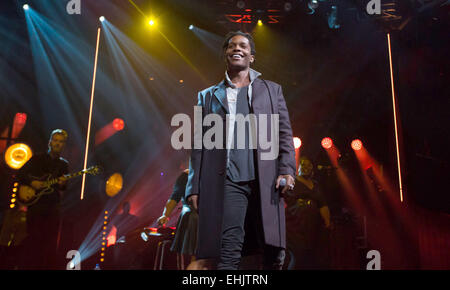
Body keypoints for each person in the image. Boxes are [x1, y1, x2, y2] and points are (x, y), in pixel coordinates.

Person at [185, 31, 296, 270]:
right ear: (225, 54)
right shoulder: (206, 96)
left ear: (251, 56)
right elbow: (198, 145)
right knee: (229, 250)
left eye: (243, 45)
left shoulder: (271, 90)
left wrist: (287, 169)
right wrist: (193, 187)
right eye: (232, 45)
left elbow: (284, 134)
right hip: (228, 180)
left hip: (266, 180)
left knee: (274, 251)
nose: (238, 48)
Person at [17, 129, 69, 269]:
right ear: (50, 142)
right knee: (33, 239)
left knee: (50, 242)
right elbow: (20, 173)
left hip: (52, 206)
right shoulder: (37, 159)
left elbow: (63, 188)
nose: (58, 144)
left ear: (64, 145)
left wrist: (63, 184)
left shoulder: (64, 165)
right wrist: (32, 182)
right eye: (56, 140)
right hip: (36, 205)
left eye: (61, 142)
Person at [284, 156, 331, 269]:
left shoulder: (315, 184)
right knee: (298, 255)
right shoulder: (291, 181)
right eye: (303, 164)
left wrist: (327, 221)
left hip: (312, 226)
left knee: (311, 257)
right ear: (298, 167)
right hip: (294, 225)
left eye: (309, 165)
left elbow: (322, 204)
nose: (306, 167)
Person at [157, 169, 207, 270]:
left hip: (209, 219)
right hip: (193, 219)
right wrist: (165, 215)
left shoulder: (212, 173)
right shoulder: (186, 175)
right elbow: (175, 196)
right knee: (196, 259)